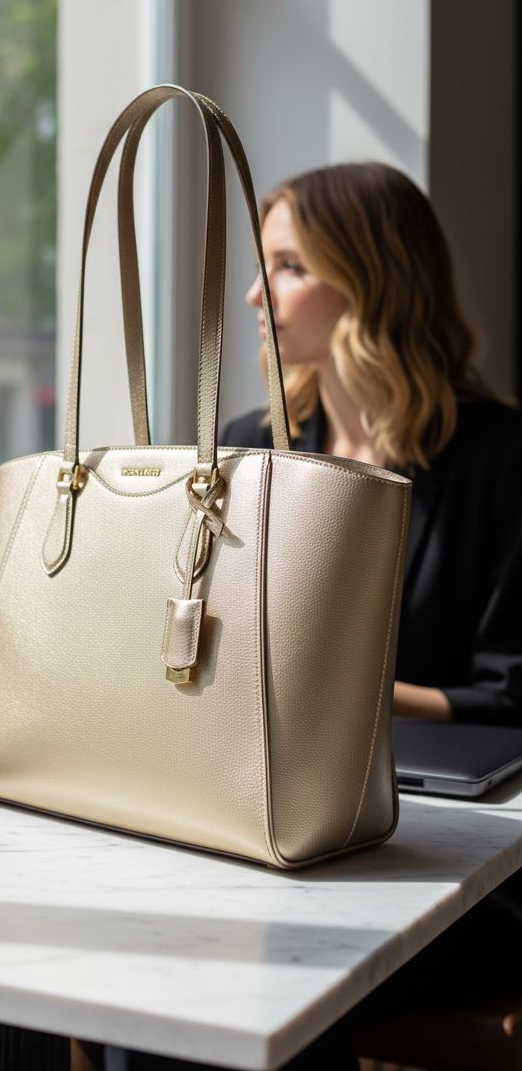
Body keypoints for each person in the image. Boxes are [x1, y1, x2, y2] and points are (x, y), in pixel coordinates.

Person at [218, 161, 522, 1070]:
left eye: (288, 267)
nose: (252, 294)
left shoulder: (502, 460)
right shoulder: (245, 449)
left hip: (452, 857)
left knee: (260, 969)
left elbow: (512, 695)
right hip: (276, 828)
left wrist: (358, 696)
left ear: (373, 278)